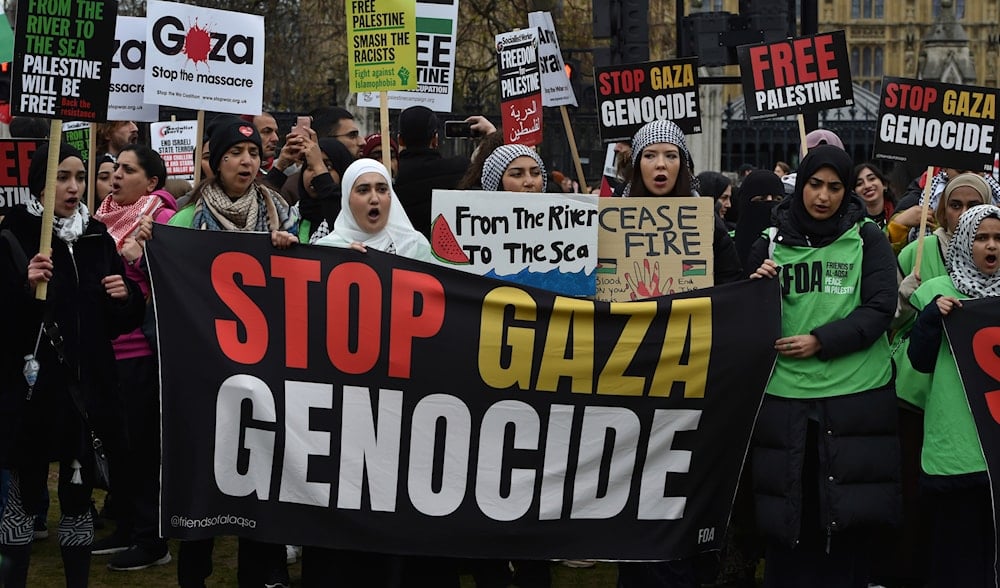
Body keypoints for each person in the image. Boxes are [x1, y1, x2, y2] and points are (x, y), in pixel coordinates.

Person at [747, 145, 900, 586]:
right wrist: (757, 289)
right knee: (792, 521)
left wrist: (820, 341)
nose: (823, 196)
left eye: (835, 187)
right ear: (801, 185)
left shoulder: (868, 238)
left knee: (845, 524)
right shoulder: (769, 243)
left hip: (855, 400)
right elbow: (746, 318)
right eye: (815, 184)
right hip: (786, 400)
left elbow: (880, 308)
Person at [0, 142, 144, 587]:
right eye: (61, 177)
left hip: (88, 391)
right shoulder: (14, 233)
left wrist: (125, 298)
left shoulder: (97, 236)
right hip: (32, 390)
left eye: (80, 177)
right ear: (39, 183)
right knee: (24, 498)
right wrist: (24, 288)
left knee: (77, 497)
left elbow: (117, 322)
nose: (73, 187)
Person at [308, 160, 456, 587]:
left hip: (406, 401)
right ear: (347, 198)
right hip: (350, 403)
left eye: (382, 189)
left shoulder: (417, 248)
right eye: (363, 190)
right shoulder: (327, 250)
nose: (374, 198)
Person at [165, 119, 297, 588]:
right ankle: (193, 572)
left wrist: (290, 254)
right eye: (235, 153)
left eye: (253, 153)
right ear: (215, 162)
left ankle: (263, 572)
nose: (246, 161)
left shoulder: (285, 217)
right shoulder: (185, 221)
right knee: (205, 471)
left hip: (266, 372)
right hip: (206, 372)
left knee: (260, 470)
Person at [880, 172, 992, 587]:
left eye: (972, 206)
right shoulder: (921, 260)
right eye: (955, 205)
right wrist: (915, 306)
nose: (963, 214)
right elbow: (893, 327)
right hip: (929, 407)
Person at [89, 144, 176, 571]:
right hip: (109, 349)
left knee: (142, 449)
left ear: (152, 182)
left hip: (142, 350)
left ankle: (151, 539)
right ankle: (126, 526)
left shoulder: (161, 220)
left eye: (128, 169)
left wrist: (141, 267)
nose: (116, 176)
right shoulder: (103, 219)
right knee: (119, 446)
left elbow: (175, 284)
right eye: (114, 169)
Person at [907, 204, 1000, 588]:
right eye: (981, 238)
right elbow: (919, 361)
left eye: (998, 238)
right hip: (956, 448)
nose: (991, 246)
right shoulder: (937, 292)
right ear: (963, 242)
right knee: (956, 559)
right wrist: (931, 318)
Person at [622, 120, 743, 285]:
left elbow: (730, 281)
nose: (661, 164)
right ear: (637, 164)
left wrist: (759, 282)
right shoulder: (613, 220)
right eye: (649, 155)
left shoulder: (707, 221)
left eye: (671, 156)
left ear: (682, 164)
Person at [394, 106, 495, 237]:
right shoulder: (460, 169)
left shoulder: (390, 178)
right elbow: (489, 169)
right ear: (435, 139)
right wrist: (491, 134)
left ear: (400, 140)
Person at [294, 133, 356, 243]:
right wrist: (280, 167)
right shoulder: (292, 215)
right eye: (309, 166)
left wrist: (319, 167)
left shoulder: (352, 217)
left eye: (327, 166)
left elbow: (335, 209)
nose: (315, 173)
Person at [732, 169, 785, 273]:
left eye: (777, 199)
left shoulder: (790, 245)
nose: (770, 205)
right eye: (761, 199)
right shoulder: (727, 247)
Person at [852, 163, 895, 229]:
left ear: (884, 184)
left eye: (871, 179)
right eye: (859, 183)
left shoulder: (899, 215)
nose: (867, 186)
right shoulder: (850, 223)